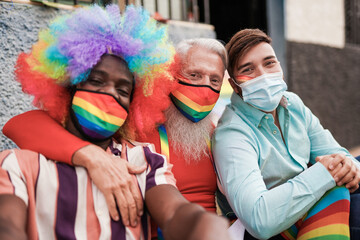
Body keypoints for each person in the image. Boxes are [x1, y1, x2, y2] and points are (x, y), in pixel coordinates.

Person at [0, 5, 231, 240]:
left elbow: (180, 212)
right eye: (193, 75)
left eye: (215, 80)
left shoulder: (206, 139)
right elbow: (20, 126)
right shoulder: (140, 136)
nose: (205, 88)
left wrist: (209, 228)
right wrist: (90, 155)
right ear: (170, 76)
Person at [212, 28, 360, 240]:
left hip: (308, 205)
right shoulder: (231, 134)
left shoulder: (292, 104)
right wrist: (324, 173)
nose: (263, 75)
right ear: (235, 86)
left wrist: (348, 168)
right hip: (270, 229)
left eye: (269, 62)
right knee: (337, 192)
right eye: (249, 69)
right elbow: (259, 220)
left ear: (280, 66)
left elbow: (336, 154)